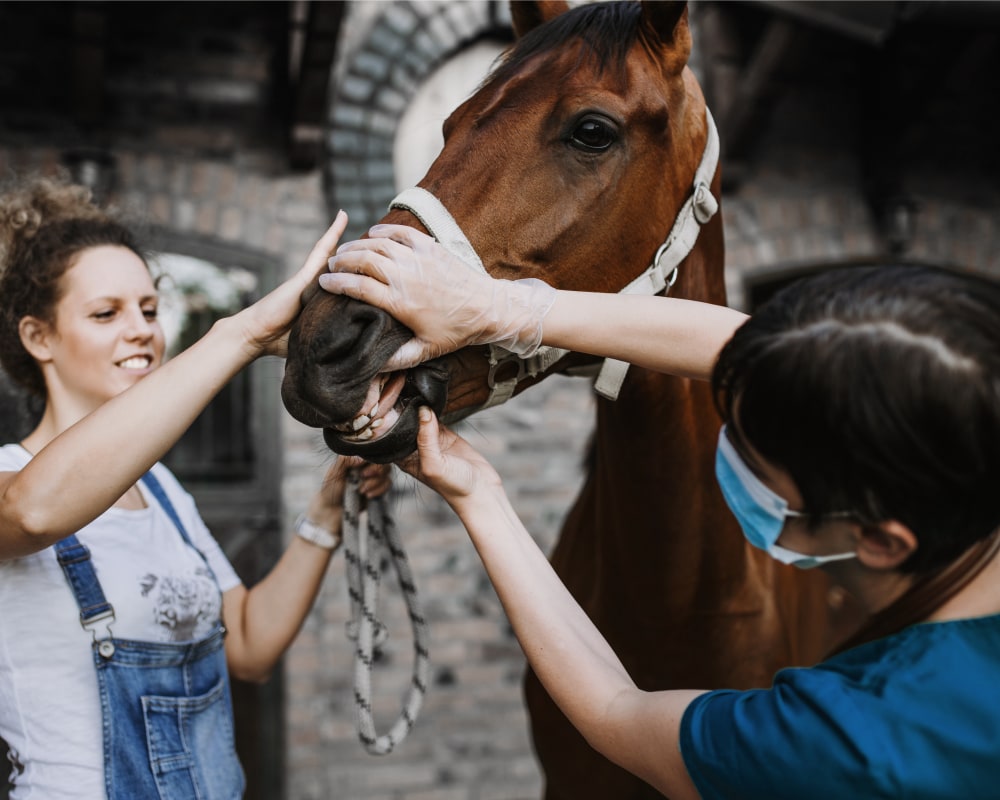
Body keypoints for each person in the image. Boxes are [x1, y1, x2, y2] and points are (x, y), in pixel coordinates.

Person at [322, 224, 1000, 799]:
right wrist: (504, 309)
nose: (725, 448)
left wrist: (478, 494)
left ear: (881, 541)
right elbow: (742, 351)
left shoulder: (850, 744)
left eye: (756, 463)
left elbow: (618, 713)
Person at [0, 177, 390, 799]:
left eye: (150, 310)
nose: (142, 332)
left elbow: (253, 647)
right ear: (37, 337)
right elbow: (35, 512)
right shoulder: (10, 481)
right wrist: (240, 335)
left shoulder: (163, 491)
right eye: (107, 313)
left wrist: (329, 509)